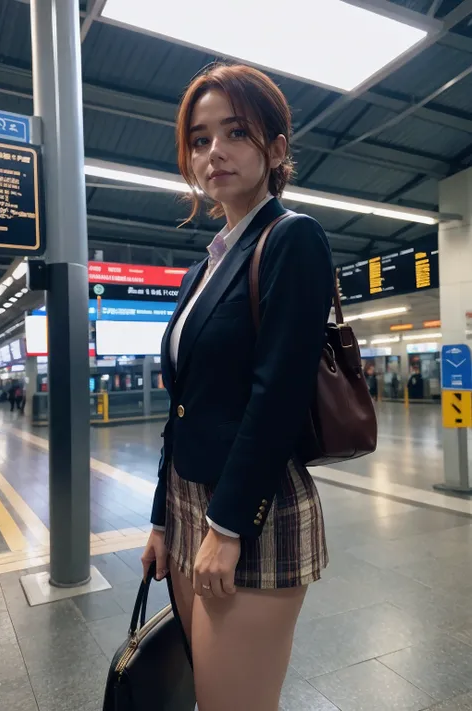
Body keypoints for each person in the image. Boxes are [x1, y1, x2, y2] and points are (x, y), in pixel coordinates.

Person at [141, 63, 334, 711]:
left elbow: (276, 393)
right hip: (189, 501)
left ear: (276, 149)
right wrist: (161, 516)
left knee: (234, 704)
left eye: (235, 132)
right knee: (213, 695)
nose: (213, 151)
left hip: (251, 508)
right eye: (199, 139)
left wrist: (226, 525)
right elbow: (183, 400)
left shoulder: (291, 240)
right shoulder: (208, 262)